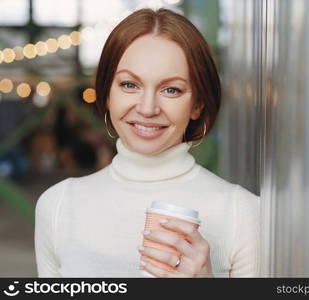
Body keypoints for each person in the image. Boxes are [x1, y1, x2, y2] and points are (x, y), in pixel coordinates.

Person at [35, 8, 260, 278]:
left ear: (197, 105)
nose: (148, 108)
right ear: (107, 94)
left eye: (171, 89)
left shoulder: (243, 213)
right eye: (130, 85)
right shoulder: (58, 205)